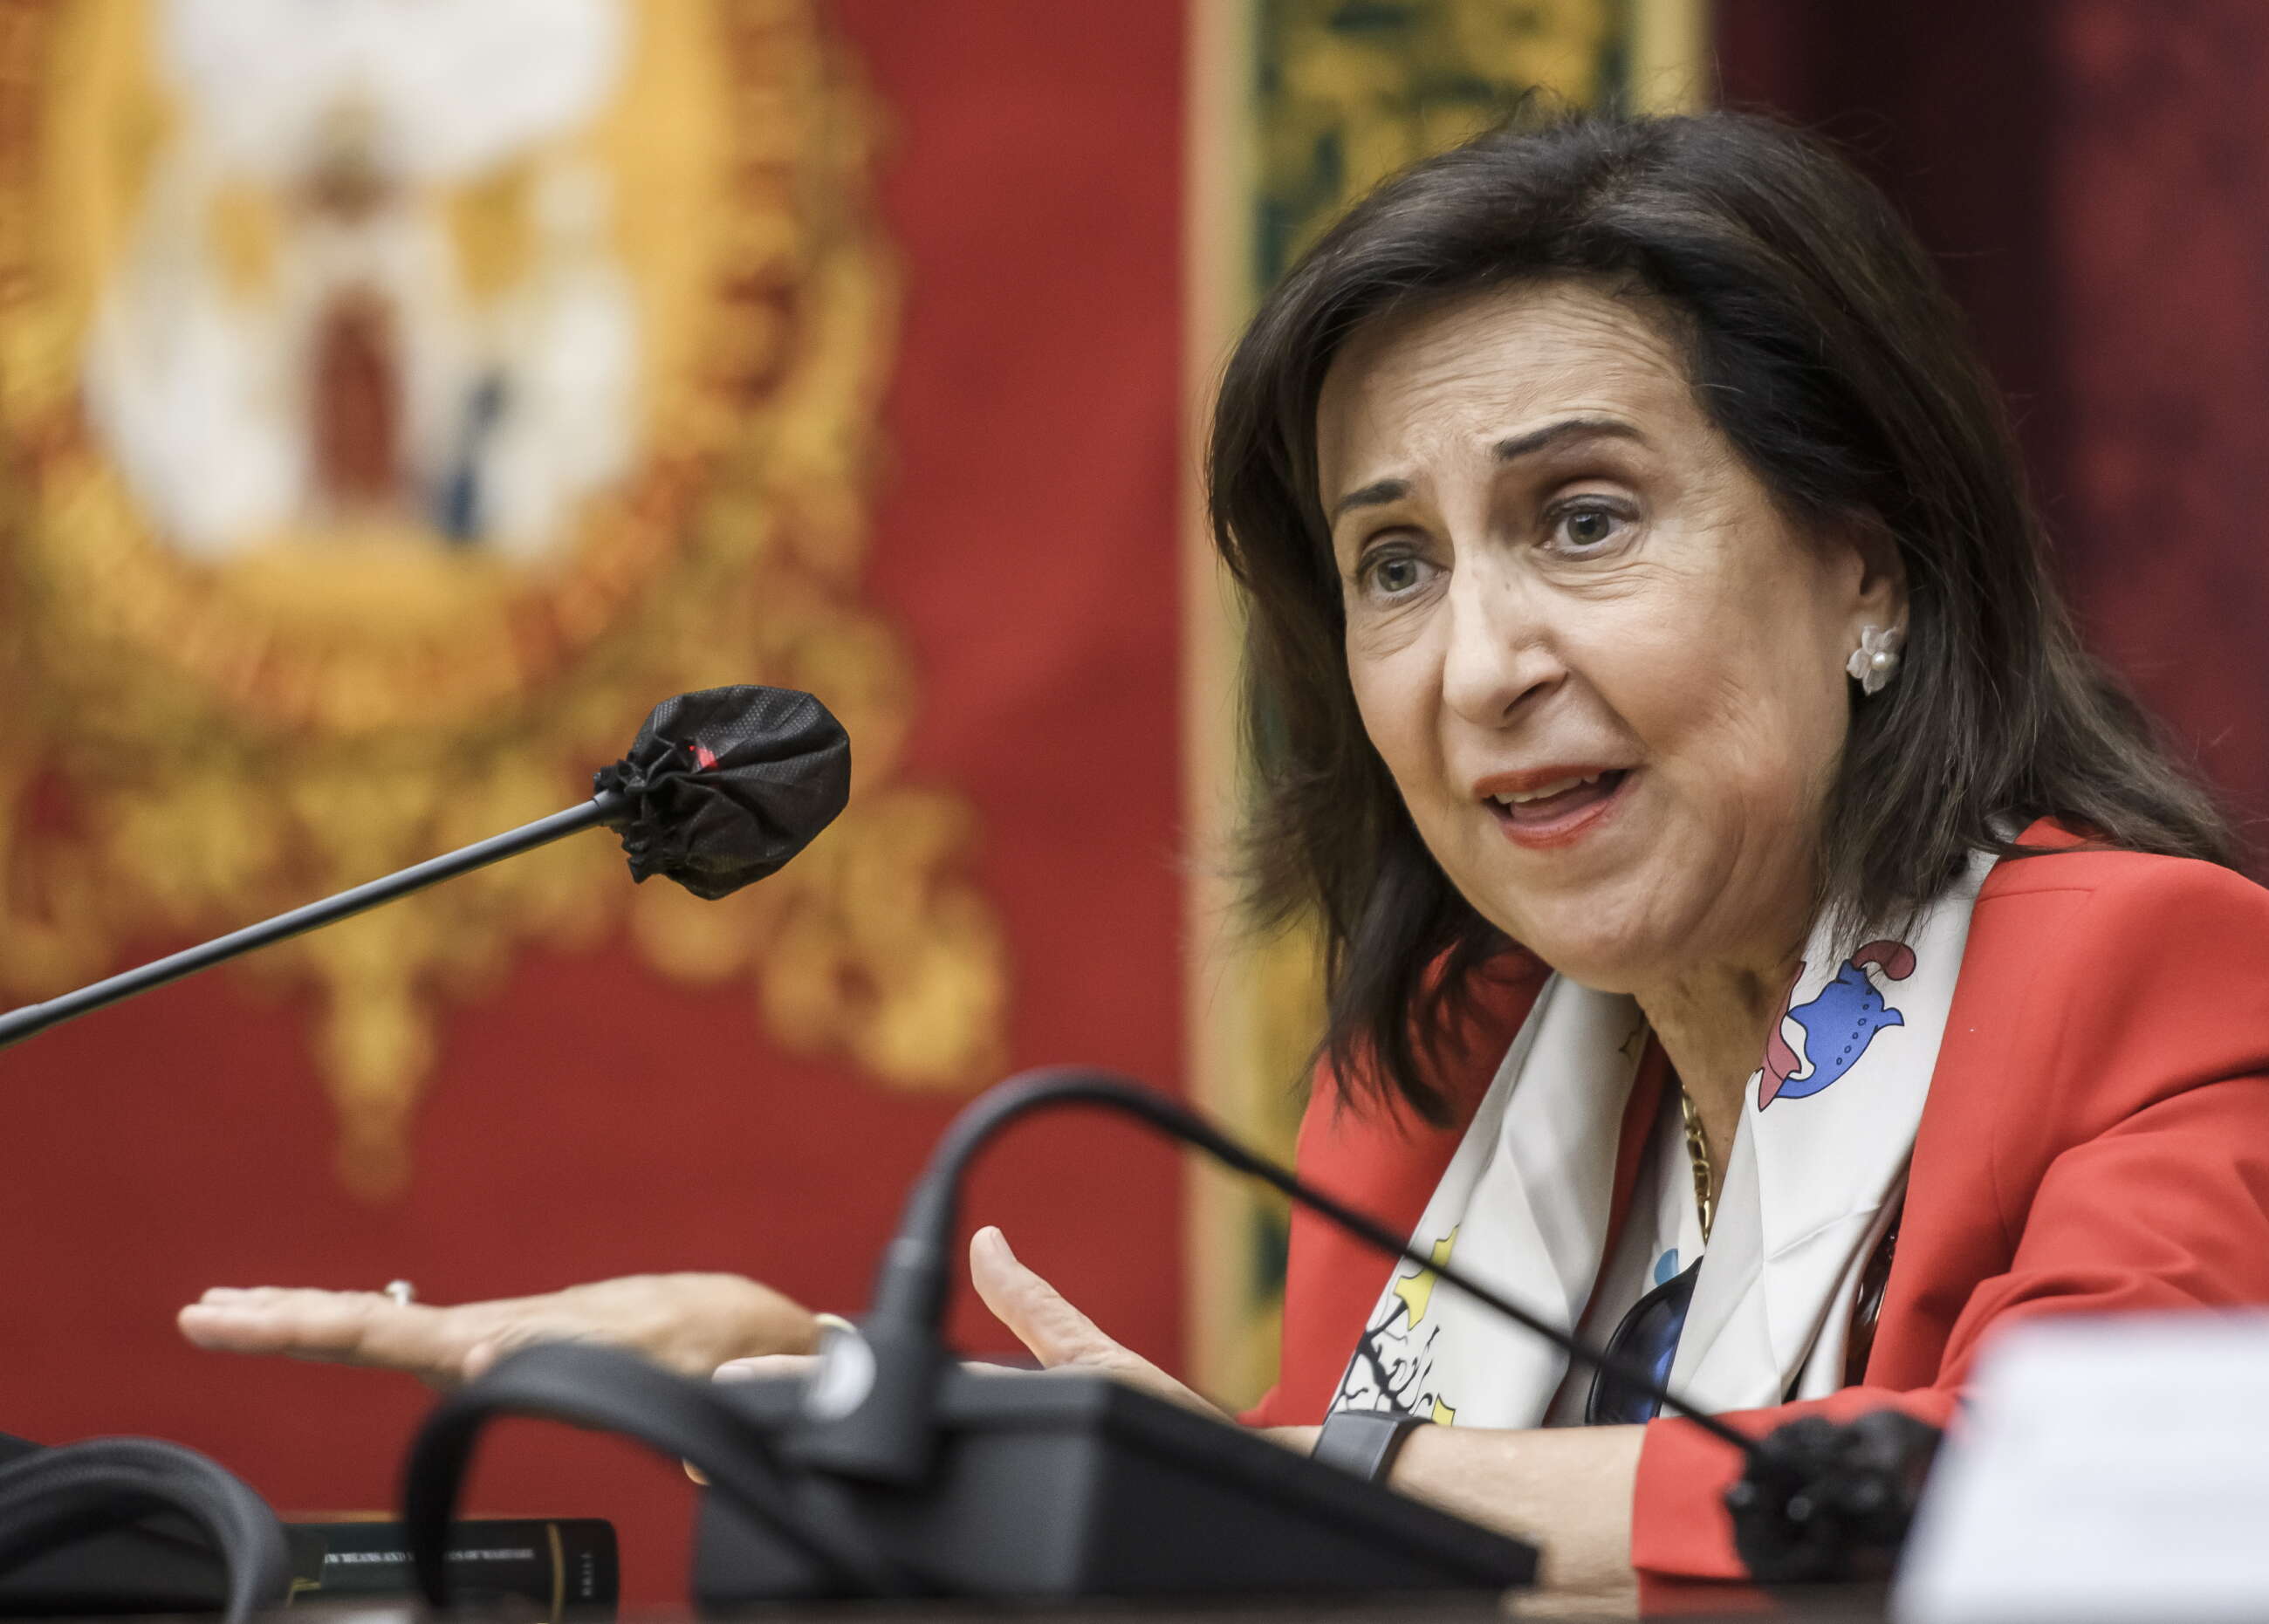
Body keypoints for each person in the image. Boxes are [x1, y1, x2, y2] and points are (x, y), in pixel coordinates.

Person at [178, 111, 2269, 1593]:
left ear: (1866, 572)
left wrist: (1298, 1483)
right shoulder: (1441, 1077)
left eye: (1582, 520)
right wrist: (802, 1390)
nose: (1479, 665)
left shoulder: (2146, 987)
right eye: (1393, 565)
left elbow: (2037, 1521)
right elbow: (1291, 1573)